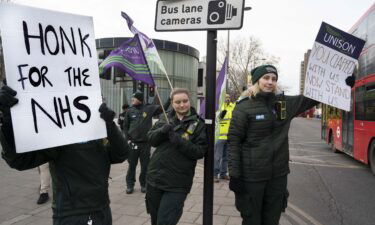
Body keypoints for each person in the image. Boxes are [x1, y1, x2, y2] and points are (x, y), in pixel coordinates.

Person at [227, 65, 355, 225]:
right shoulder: (244, 107)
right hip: (253, 177)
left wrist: (342, 84)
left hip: (278, 176)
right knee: (251, 219)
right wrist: (235, 175)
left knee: (272, 220)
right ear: (257, 81)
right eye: (266, 78)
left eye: (273, 79)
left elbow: (312, 97)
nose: (270, 82)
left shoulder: (285, 103)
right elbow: (234, 142)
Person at [0, 85, 130, 225]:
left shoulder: (98, 134)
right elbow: (19, 161)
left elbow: (121, 154)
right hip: (71, 215)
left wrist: (110, 126)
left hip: (102, 210)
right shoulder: (58, 137)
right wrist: (8, 121)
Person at [145, 88, 207, 225]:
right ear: (172, 103)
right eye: (177, 102)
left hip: (177, 183)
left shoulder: (198, 124)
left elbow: (199, 152)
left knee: (165, 222)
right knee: (155, 220)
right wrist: (161, 131)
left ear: (189, 101)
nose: (182, 105)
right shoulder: (165, 117)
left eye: (184, 101)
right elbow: (150, 139)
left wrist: (179, 141)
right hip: (155, 178)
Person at [123, 91, 170, 194]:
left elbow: (162, 108)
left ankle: (144, 184)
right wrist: (127, 139)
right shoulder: (130, 111)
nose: (132, 100)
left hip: (145, 143)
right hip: (133, 143)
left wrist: (170, 99)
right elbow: (125, 126)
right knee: (132, 165)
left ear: (139, 99)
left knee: (145, 166)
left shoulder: (149, 108)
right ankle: (130, 185)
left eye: (134, 98)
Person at [214, 94, 235, 182]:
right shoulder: (219, 108)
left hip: (229, 137)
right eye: (226, 97)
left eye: (229, 97)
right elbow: (218, 119)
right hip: (220, 137)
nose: (227, 99)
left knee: (226, 157)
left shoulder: (233, 107)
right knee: (217, 157)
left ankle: (223, 174)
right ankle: (215, 175)